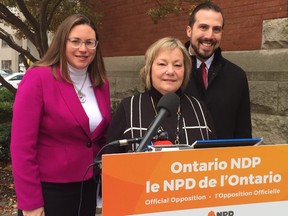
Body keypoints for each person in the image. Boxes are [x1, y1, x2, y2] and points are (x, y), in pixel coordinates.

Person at [10, 14, 111, 216]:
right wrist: (30, 203)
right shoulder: (38, 78)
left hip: (87, 186)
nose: (83, 49)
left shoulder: (100, 82)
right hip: (49, 190)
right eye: (75, 41)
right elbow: (21, 146)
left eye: (90, 43)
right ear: (61, 42)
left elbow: (99, 137)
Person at [107, 37, 216, 152]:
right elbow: (109, 161)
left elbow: (213, 159)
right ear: (149, 69)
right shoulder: (129, 108)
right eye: (162, 64)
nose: (170, 71)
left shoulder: (199, 109)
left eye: (177, 65)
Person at [184, 2, 252, 139]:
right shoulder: (168, 74)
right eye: (203, 27)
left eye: (216, 29)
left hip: (222, 160)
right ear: (189, 31)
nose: (209, 36)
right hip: (180, 160)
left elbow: (243, 134)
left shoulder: (237, 77)